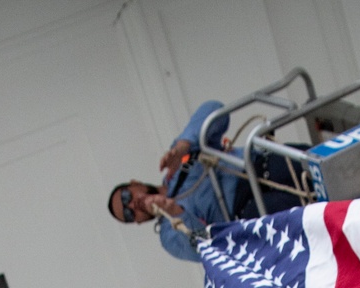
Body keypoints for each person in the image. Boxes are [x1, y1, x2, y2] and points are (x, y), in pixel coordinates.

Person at [107, 99, 303, 261]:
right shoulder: (169, 234)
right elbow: (206, 246)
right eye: (129, 214)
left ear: (134, 183)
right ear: (138, 222)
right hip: (250, 211)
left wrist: (184, 146)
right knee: (309, 210)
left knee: (313, 162)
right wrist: (173, 212)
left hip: (260, 163)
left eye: (126, 197)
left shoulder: (178, 163)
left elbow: (216, 110)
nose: (132, 205)